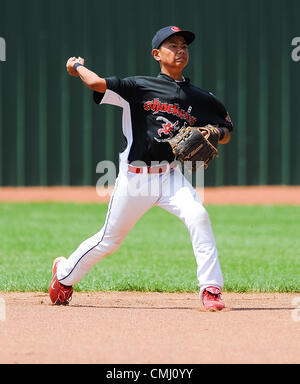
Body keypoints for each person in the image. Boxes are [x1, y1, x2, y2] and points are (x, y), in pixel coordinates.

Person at [49, 26, 233, 311]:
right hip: (135, 179)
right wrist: (76, 66)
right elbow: (97, 83)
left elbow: (226, 127)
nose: (181, 49)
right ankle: (63, 275)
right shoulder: (138, 87)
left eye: (184, 45)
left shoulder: (200, 98)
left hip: (171, 176)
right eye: (173, 45)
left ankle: (211, 289)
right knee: (109, 241)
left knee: (198, 216)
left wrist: (214, 133)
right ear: (157, 54)